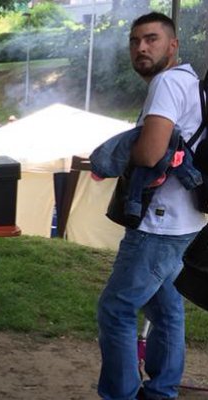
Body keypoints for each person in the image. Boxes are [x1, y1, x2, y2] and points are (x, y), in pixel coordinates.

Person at [95, 12, 207, 400]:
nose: (141, 47)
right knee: (166, 312)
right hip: (187, 218)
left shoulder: (167, 83)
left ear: (173, 46)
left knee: (116, 310)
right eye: (135, 40)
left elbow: (149, 152)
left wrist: (122, 153)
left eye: (152, 39)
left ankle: (122, 395)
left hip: (159, 223)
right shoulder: (193, 83)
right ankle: (161, 392)